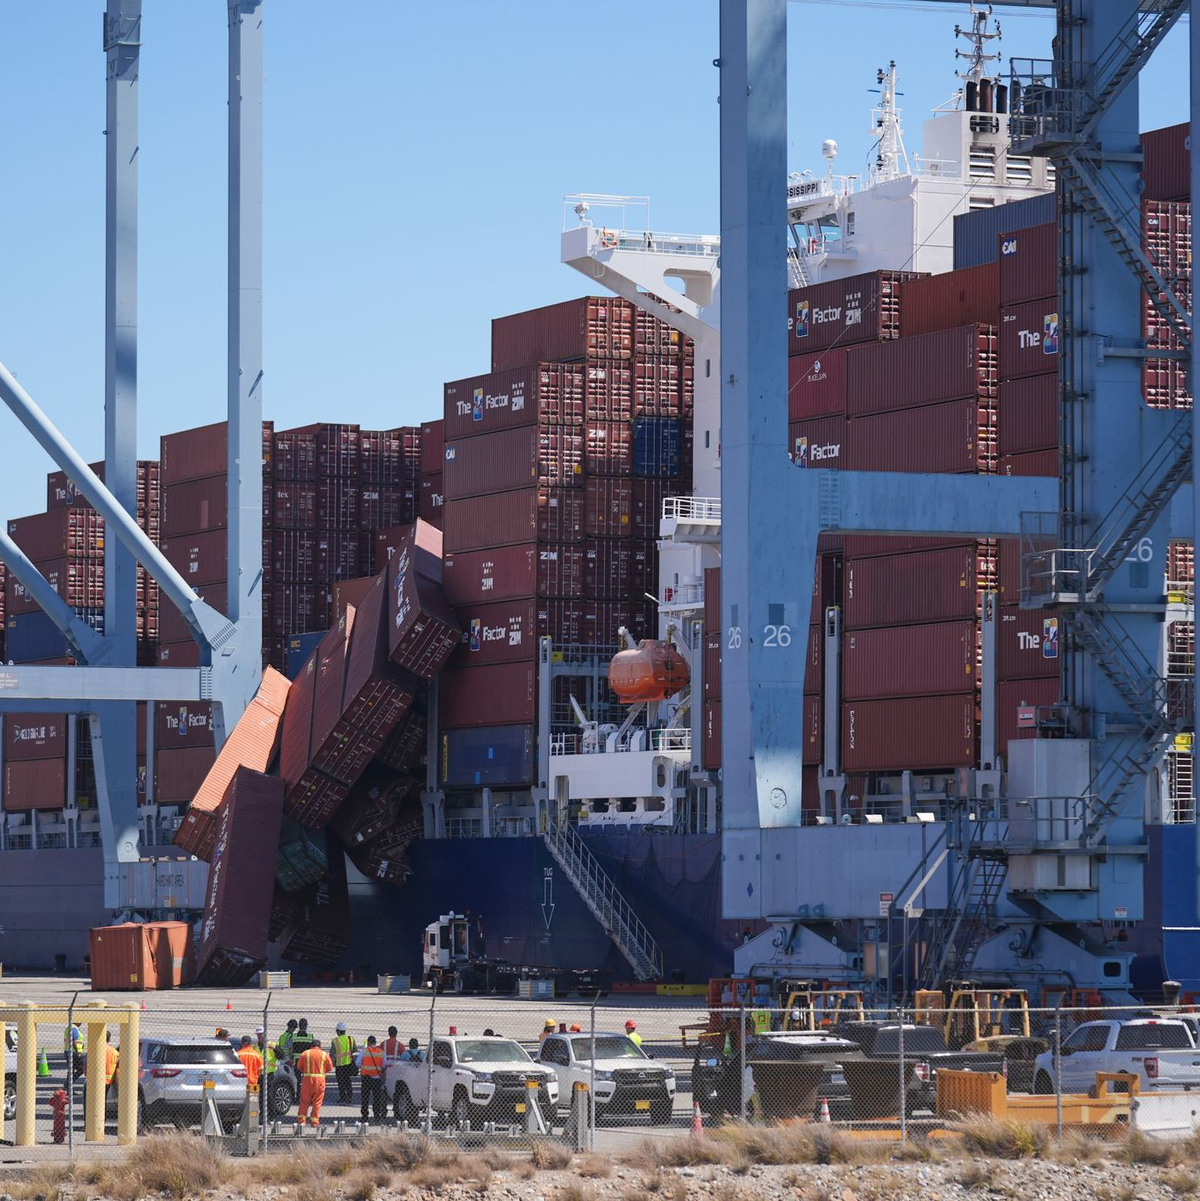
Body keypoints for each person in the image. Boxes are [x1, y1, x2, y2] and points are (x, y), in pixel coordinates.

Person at [295, 1038, 334, 1128]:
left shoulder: (305, 1053)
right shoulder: (324, 1054)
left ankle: (302, 1121)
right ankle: (314, 1122)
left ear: (311, 1046)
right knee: (317, 1102)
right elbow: (330, 1067)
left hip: (307, 1080)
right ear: (320, 1046)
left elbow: (299, 1066)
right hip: (320, 1080)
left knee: (304, 1101)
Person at [357, 1036, 386, 1123]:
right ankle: (377, 1116)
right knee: (377, 1098)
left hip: (366, 1078)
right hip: (377, 1078)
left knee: (365, 1097)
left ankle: (365, 1116)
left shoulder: (363, 1051)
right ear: (375, 1042)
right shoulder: (381, 1052)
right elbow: (384, 1065)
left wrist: (364, 1066)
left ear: (368, 1042)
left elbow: (357, 1063)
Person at [330, 1022, 357, 1104]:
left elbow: (332, 1054)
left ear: (338, 1031)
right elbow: (354, 1050)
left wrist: (332, 1062)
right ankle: (349, 1097)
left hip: (339, 1065)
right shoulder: (350, 1039)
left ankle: (343, 1097)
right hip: (348, 1063)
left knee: (341, 1082)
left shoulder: (335, 1041)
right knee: (348, 1081)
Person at [103, 1031, 119, 1105]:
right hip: (109, 1080)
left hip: (95, 1079)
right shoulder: (114, 1052)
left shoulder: (94, 1049)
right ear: (109, 1040)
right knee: (104, 1099)